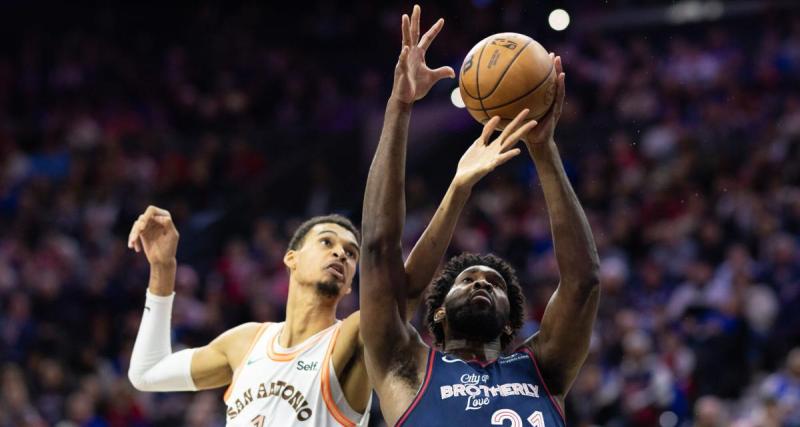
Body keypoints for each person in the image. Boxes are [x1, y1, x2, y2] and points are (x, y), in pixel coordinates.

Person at [124, 10, 466, 425]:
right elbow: (147, 374)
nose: (341, 254)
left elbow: (405, 287)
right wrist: (163, 270)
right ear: (290, 258)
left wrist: (452, 179)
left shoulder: (349, 338)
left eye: (351, 252)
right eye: (327, 242)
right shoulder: (245, 342)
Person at [359, 5, 601, 426]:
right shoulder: (408, 367)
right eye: (467, 279)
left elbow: (583, 283)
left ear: (510, 320)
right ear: (437, 313)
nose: (481, 283)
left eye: (493, 283)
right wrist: (399, 106)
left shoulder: (544, 368)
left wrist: (544, 152)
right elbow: (379, 251)